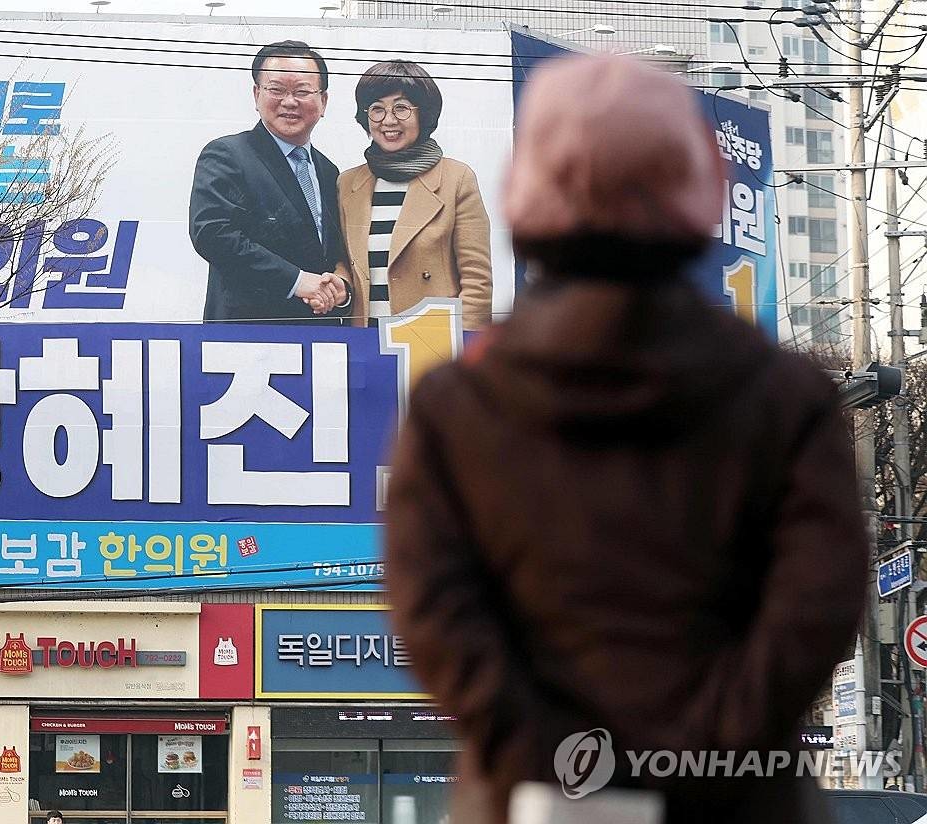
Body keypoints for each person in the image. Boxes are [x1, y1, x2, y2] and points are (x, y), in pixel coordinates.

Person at [383, 54, 867, 824]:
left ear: (522, 195)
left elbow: (434, 614)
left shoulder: (458, 407)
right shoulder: (786, 397)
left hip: (527, 797)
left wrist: (561, 763)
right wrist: (714, 749)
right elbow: (818, 605)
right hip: (742, 796)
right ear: (700, 185)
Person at [190, 40, 350, 324]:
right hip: (248, 335)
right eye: (276, 89)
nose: (289, 102)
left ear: (323, 101)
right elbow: (213, 235)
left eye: (302, 91)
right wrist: (297, 281)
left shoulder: (328, 171)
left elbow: (334, 250)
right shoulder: (227, 155)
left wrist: (339, 286)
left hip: (319, 338)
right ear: (256, 95)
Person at [337, 60, 492, 330]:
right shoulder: (348, 183)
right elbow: (344, 262)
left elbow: (477, 281)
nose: (388, 120)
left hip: (433, 341)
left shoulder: (456, 178)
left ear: (424, 114)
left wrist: (465, 351)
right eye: (377, 109)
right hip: (364, 342)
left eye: (401, 108)